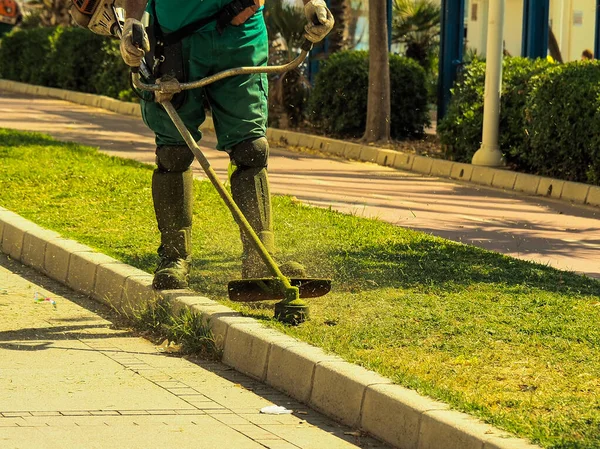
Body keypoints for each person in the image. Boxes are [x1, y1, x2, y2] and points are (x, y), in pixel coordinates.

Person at [119, 0, 334, 289]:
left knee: (251, 149)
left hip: (241, 39)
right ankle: (174, 257)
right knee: (173, 153)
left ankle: (260, 257)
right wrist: (132, 21)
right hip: (175, 42)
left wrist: (313, 3)